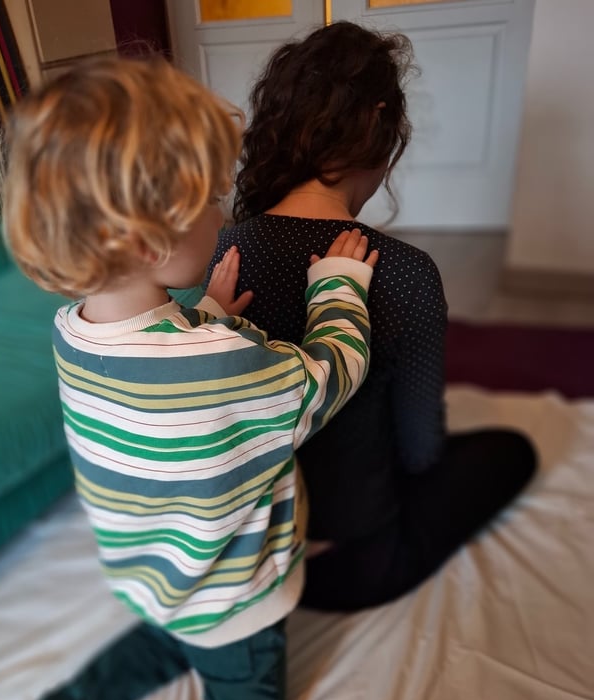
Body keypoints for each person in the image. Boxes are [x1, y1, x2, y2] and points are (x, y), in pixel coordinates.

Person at [0, 52, 377, 700]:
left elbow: (167, 380)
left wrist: (213, 316)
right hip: (230, 589)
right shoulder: (224, 362)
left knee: (163, 641)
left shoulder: (74, 330)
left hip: (152, 568)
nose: (223, 217)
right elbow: (328, 376)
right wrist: (338, 286)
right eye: (210, 202)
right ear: (146, 242)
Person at [208, 20, 537, 612]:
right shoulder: (405, 272)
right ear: (380, 138)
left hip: (244, 558)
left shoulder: (221, 257)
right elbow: (420, 451)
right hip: (349, 561)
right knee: (510, 451)